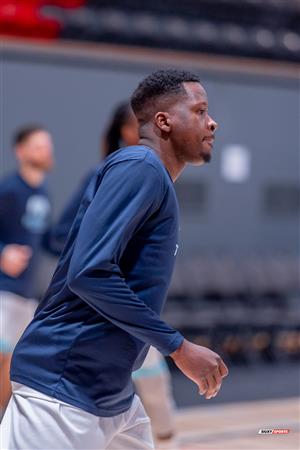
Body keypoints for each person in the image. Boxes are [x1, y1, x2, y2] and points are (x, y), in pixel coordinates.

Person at [1, 69, 228, 450]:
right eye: (201, 110)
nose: (212, 121)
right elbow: (88, 272)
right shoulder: (139, 166)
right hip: (61, 390)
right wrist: (178, 347)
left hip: (113, 397)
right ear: (164, 121)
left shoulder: (151, 177)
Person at [51, 100, 178, 446]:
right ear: (127, 131)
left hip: (133, 300)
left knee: (151, 381)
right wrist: (97, 258)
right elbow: (60, 235)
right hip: (104, 302)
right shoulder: (108, 173)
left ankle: (166, 439)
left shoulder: (154, 178)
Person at [0, 125, 54, 415]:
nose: (45, 151)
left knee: (19, 362)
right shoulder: (8, 190)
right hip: (3, 291)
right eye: (37, 146)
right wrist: (3, 253)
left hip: (27, 292)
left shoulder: (43, 192)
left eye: (47, 146)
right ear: (20, 152)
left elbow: (46, 240)